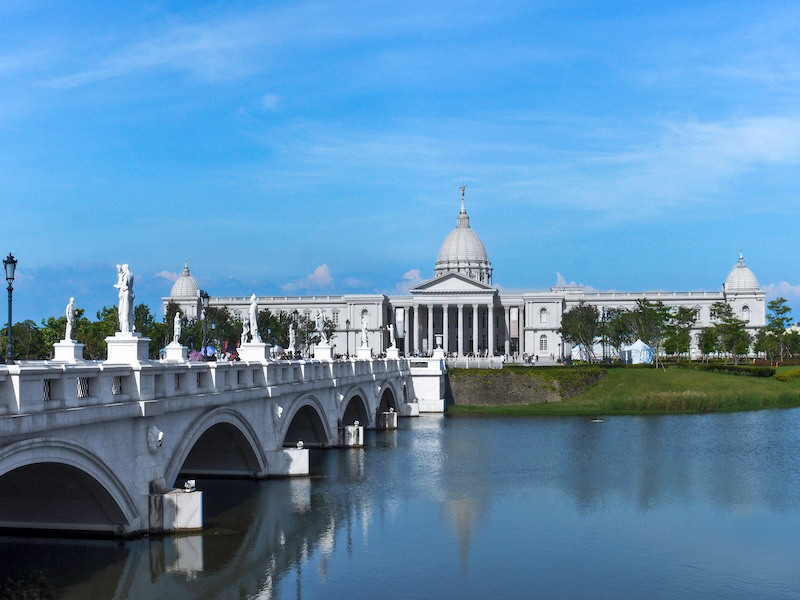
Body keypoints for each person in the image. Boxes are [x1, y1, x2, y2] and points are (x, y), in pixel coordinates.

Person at [114, 264, 135, 333]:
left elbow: (124, 285)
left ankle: (125, 328)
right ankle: (131, 327)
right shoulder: (131, 275)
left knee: (124, 311)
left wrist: (117, 286)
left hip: (125, 294)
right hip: (131, 294)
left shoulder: (126, 275)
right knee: (130, 312)